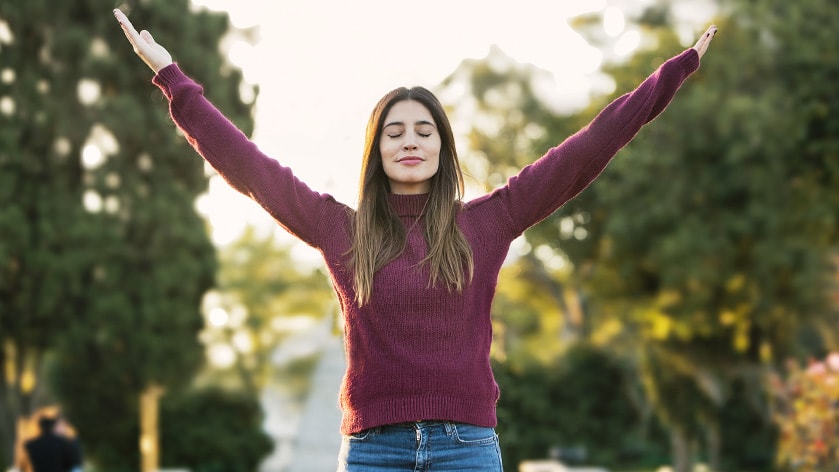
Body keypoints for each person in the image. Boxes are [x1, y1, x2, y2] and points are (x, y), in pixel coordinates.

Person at [113, 8, 716, 471]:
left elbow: (584, 151)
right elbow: (249, 168)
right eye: (394, 131)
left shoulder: (488, 221)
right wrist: (174, 80)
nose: (409, 140)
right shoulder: (340, 230)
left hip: (468, 447)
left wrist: (671, 74)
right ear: (376, 149)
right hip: (375, 449)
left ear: (441, 148)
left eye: (424, 130)